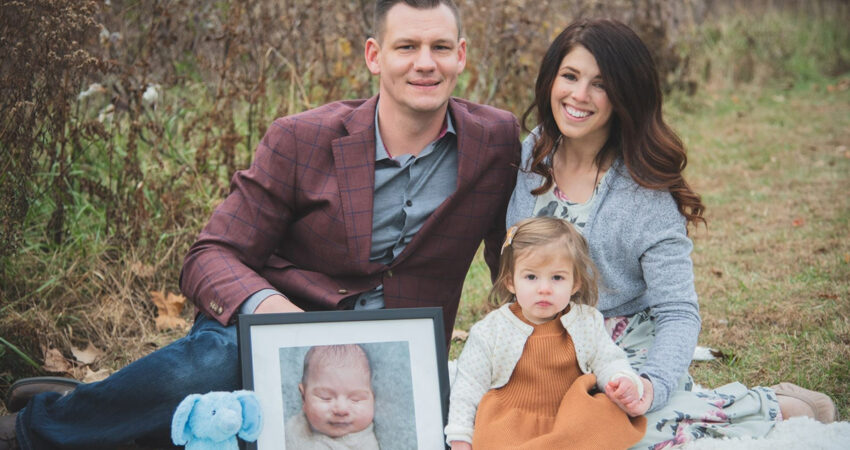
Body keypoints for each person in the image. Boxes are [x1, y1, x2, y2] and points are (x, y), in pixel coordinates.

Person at [0, 1, 520, 448]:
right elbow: (210, 254)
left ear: (461, 55)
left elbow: (518, 253)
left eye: (440, 47)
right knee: (211, 370)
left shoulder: (495, 141)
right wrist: (276, 315)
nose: (425, 63)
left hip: (393, 356)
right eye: (407, 47)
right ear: (374, 55)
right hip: (275, 330)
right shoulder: (303, 139)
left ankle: (102, 405)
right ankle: (35, 428)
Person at [506, 18, 838, 448]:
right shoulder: (533, 154)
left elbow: (678, 311)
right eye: (570, 76)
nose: (579, 95)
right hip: (544, 341)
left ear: (625, 95)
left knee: (610, 432)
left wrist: (652, 385)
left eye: (600, 84)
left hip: (623, 348)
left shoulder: (645, 192)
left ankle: (774, 407)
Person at [445, 217, 647, 449]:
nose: (544, 289)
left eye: (557, 277)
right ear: (511, 281)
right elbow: (468, 387)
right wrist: (460, 436)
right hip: (513, 420)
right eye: (531, 277)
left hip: (572, 414)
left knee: (603, 420)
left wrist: (621, 379)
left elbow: (607, 360)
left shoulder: (586, 321)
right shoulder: (491, 330)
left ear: (575, 283)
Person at [285, 344, 379, 450]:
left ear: (373, 398)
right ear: (303, 397)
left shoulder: (365, 444)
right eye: (325, 397)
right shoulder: (291, 429)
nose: (341, 410)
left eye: (355, 399)